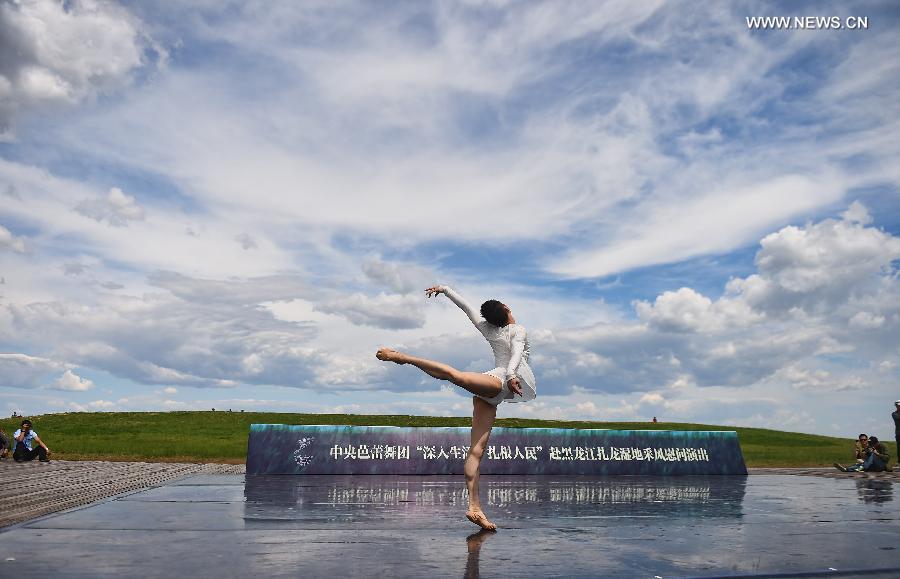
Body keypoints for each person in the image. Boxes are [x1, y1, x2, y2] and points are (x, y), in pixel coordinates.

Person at [376, 285, 536, 531]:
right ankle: (402, 357)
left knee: (477, 451)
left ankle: (475, 507)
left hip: (495, 392)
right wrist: (512, 374)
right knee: (455, 375)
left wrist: (446, 290)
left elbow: (467, 309)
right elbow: (515, 353)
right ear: (506, 309)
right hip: (498, 381)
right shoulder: (518, 329)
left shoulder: (489, 329)